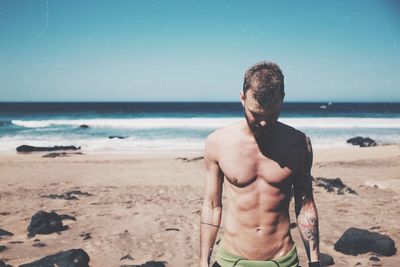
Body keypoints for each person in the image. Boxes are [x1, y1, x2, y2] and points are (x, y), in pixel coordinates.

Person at [200, 61, 321, 267]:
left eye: (272, 114)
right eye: (255, 114)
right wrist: (203, 262)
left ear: (282, 99)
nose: (263, 123)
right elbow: (212, 206)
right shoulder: (218, 142)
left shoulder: (299, 144)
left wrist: (314, 261)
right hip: (232, 259)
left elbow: (305, 204)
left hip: (282, 259)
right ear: (242, 98)